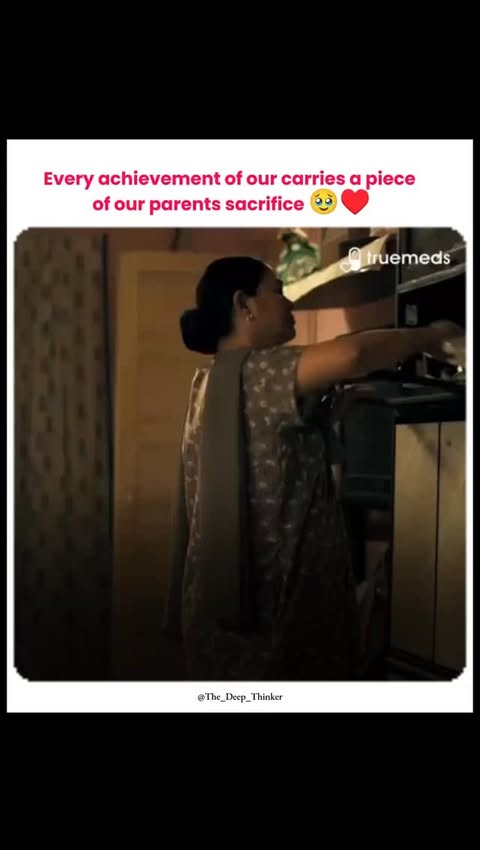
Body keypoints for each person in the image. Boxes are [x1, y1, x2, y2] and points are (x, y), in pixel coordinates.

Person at [163, 255, 462, 681]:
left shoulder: (211, 381)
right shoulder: (258, 371)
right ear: (244, 304)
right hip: (273, 619)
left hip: (230, 614)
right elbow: (354, 353)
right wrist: (432, 334)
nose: (289, 304)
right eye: (277, 291)